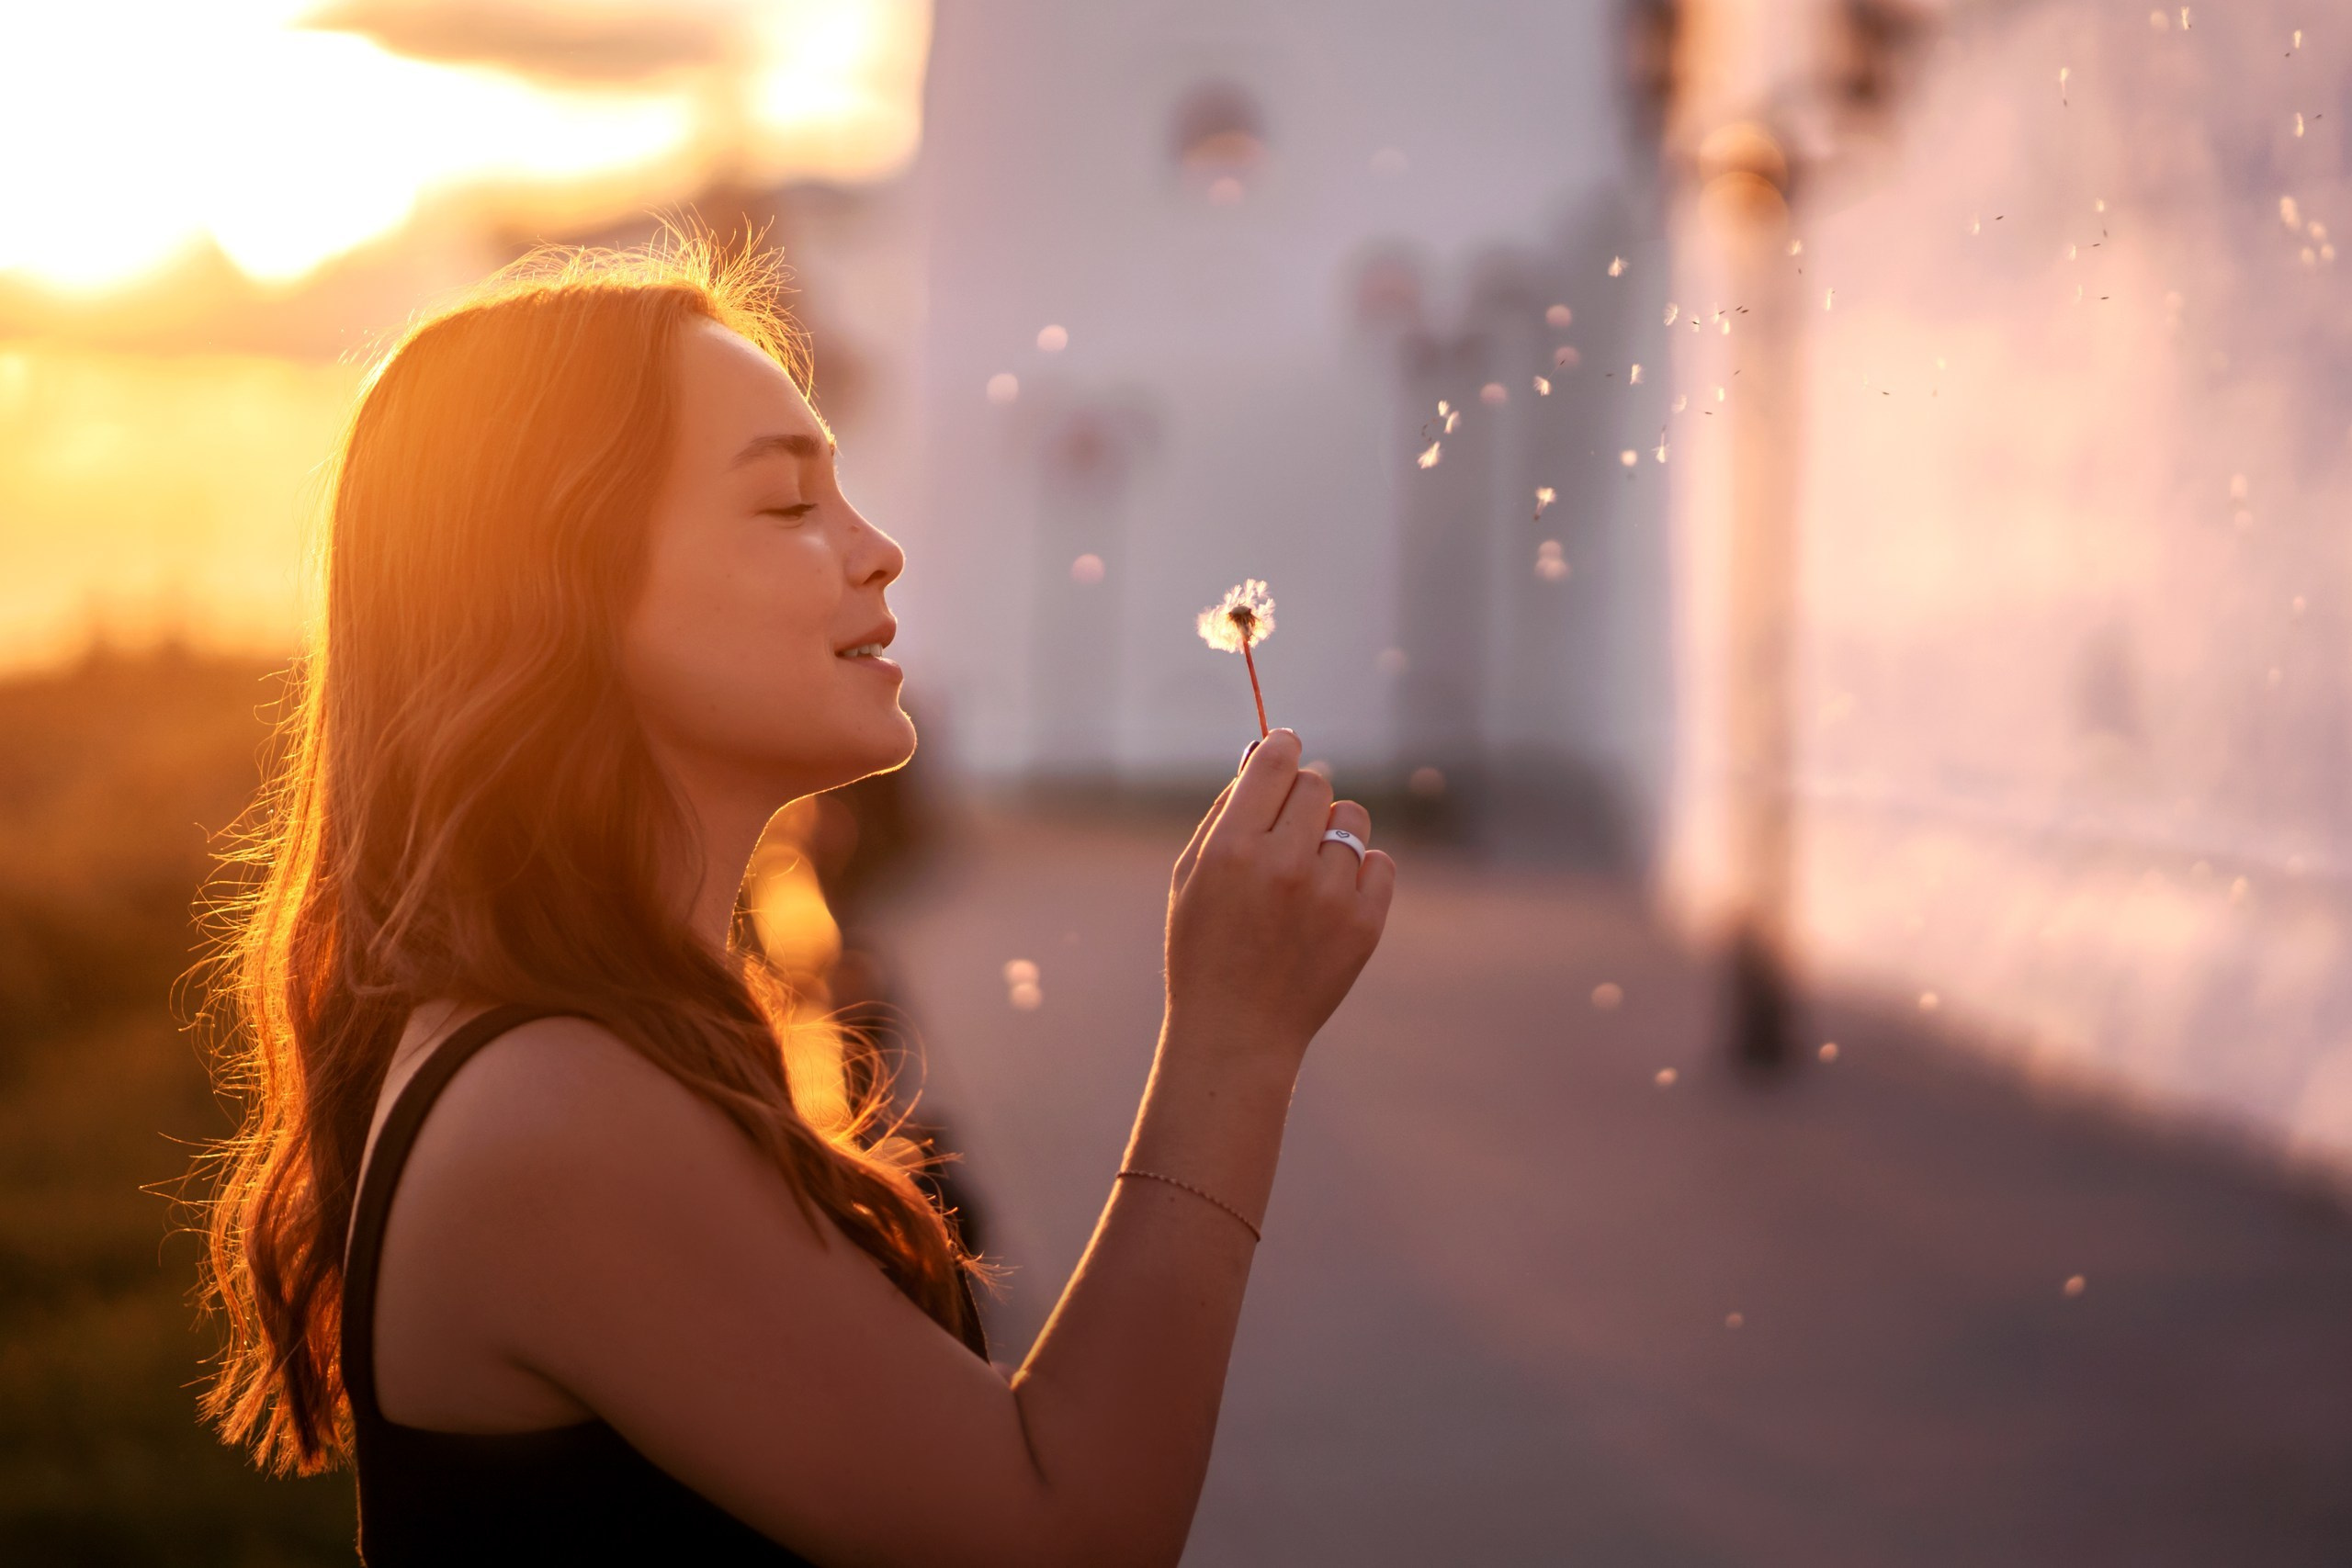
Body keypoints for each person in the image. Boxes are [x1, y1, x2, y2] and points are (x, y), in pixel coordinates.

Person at [197, 242, 1396, 1565]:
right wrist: (1235, 1037)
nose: (879, 553)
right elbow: (1064, 1536)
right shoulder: (554, 1110)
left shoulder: (597, 1042)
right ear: (557, 586)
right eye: (785, 506)